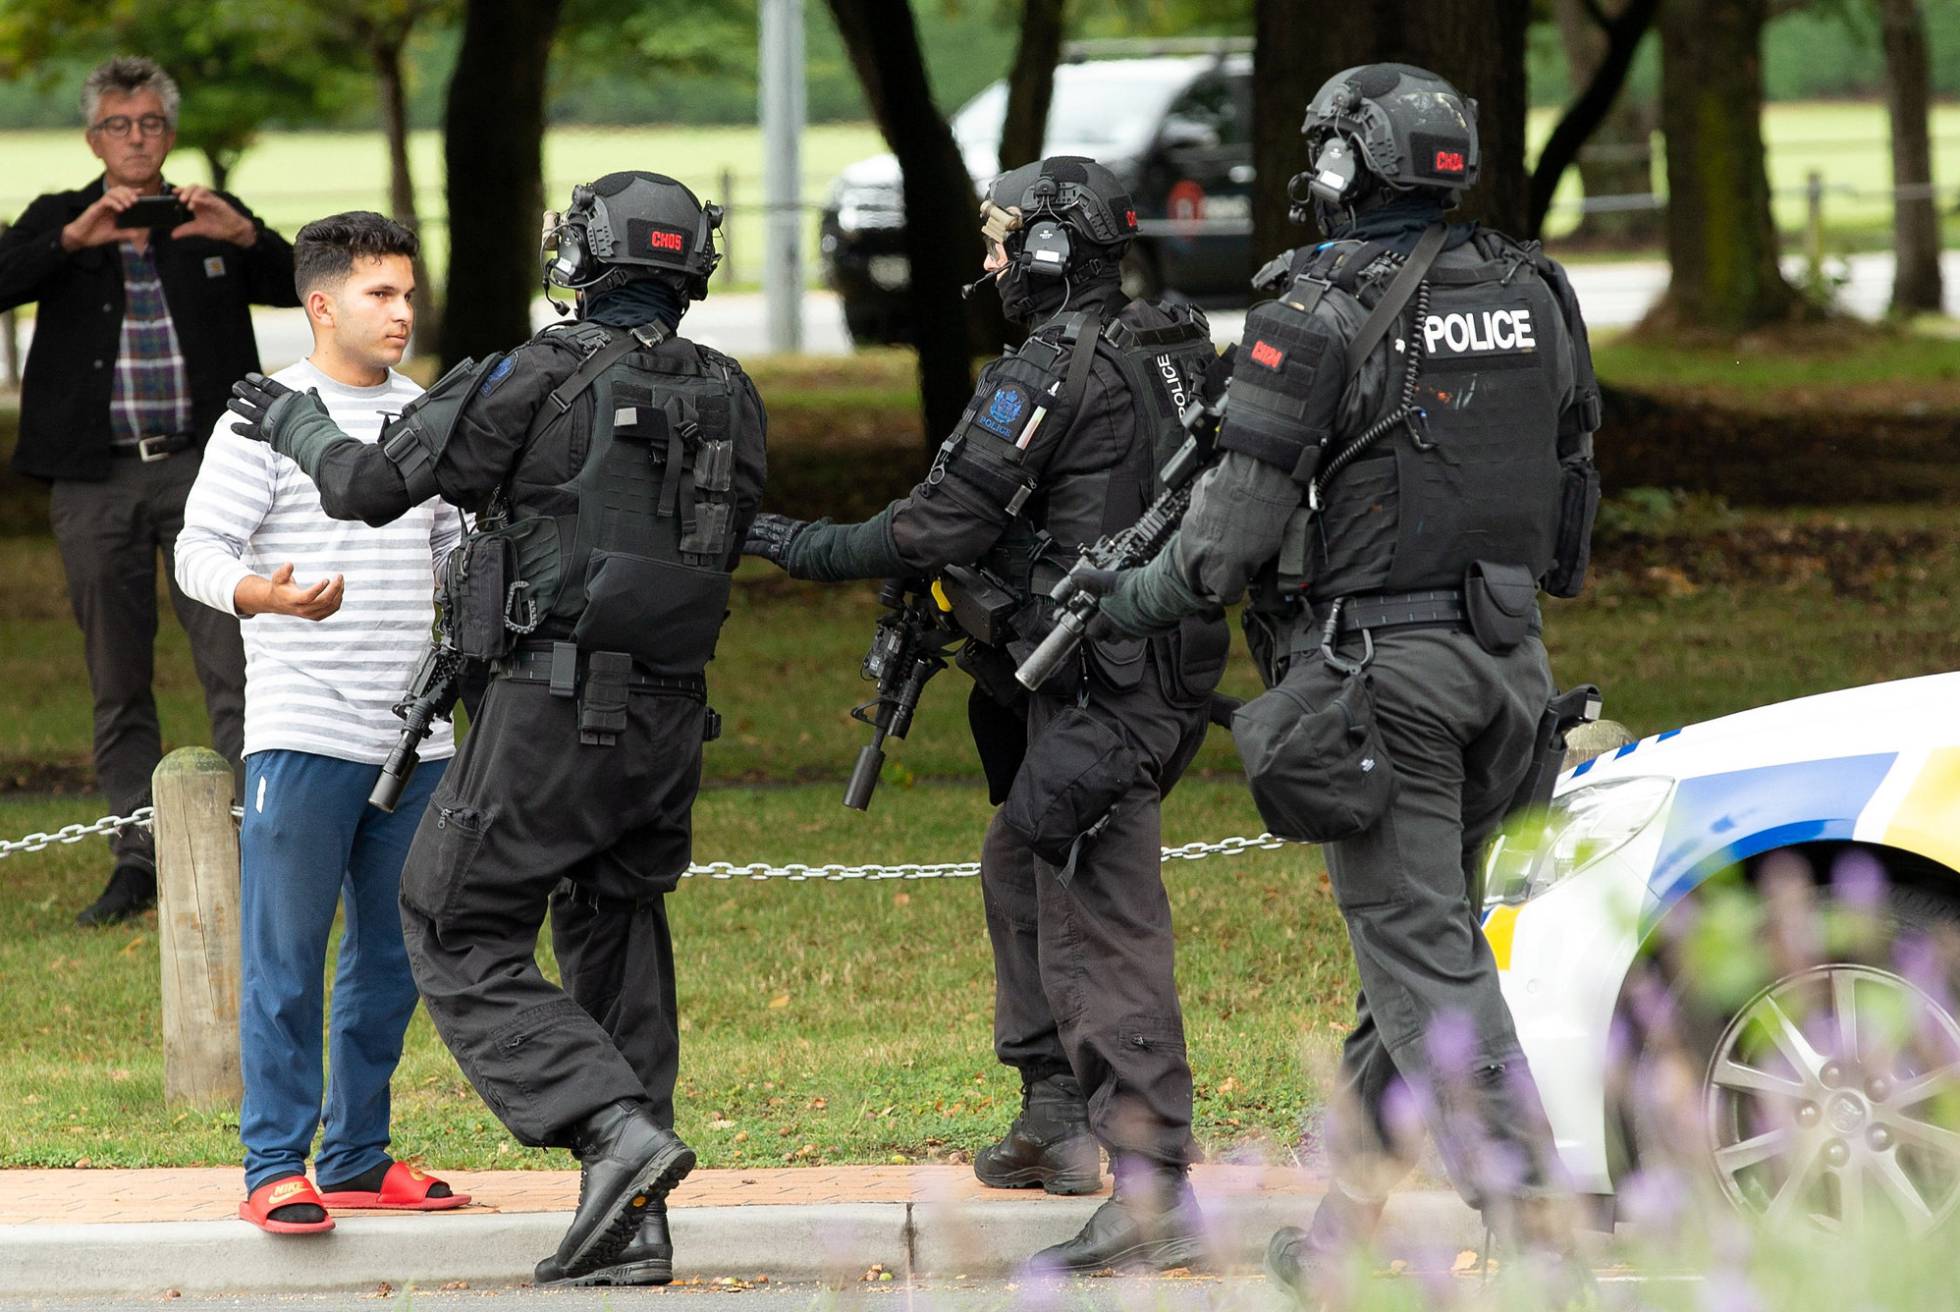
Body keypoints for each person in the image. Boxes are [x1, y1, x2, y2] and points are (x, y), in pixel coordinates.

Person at [1094, 65, 1603, 1303]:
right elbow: (1573, 475)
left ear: (1338, 170)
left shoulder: (1311, 304)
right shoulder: (1536, 287)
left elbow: (1220, 541)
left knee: (1425, 960)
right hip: (1511, 667)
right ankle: (1339, 1243)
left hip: (1386, 682)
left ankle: (1538, 1233)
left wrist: (1131, 598)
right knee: (1418, 948)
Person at [222, 172, 765, 1284]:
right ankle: (632, 1226)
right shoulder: (729, 388)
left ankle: (611, 1130)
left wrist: (295, 419)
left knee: (451, 917)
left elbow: (374, 486)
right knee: (617, 930)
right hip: (667, 724)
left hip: (548, 708)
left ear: (584, 257)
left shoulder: (538, 372)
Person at [743, 155, 1230, 1273]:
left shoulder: (1052, 367)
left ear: (1055, 252)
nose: (992, 263)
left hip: (1103, 679)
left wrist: (788, 542)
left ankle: (1152, 1187)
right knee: (1017, 861)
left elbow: (935, 525)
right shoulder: (1169, 342)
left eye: (1006, 243)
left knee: (1098, 913)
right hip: (1150, 663)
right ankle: (1051, 1115)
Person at [175, 211, 469, 1234]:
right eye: (380, 293)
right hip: (302, 732)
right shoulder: (267, 415)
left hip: (418, 741)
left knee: (395, 961)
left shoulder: (426, 415)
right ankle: (274, 1164)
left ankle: (354, 1155)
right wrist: (264, 593)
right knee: (287, 959)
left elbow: (457, 561)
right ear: (321, 303)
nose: (402, 311)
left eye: (407, 292)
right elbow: (196, 549)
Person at [0, 55, 298, 926]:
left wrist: (243, 237)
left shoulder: (209, 219)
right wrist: (70, 242)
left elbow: (301, 286)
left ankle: (256, 850)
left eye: (152, 124)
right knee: (118, 677)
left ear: (170, 133)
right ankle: (140, 858)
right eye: (119, 125)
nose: (136, 139)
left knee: (238, 665)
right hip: (95, 480)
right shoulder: (64, 217)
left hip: (213, 473)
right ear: (94, 138)